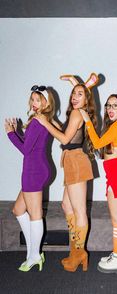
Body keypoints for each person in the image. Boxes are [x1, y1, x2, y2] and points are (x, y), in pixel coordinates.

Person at [36, 73, 98, 272]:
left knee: (79, 210)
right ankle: (75, 251)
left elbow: (64, 139)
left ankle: (79, 254)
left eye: (80, 94)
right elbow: (66, 134)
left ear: (86, 98)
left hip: (76, 161)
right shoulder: (76, 113)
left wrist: (45, 123)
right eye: (73, 93)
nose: (74, 97)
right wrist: (50, 119)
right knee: (66, 205)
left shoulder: (77, 113)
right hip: (72, 161)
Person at [5, 85, 55, 271]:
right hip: (34, 169)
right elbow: (29, 145)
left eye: (38, 100)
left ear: (46, 102)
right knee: (18, 209)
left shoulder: (37, 121)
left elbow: (26, 150)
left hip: (34, 171)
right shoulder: (39, 120)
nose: (34, 103)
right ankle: (32, 250)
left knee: (35, 215)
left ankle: (34, 255)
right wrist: (17, 131)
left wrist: (10, 133)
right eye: (33, 99)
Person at [80, 94, 117, 274]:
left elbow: (98, 142)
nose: (110, 109)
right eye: (108, 105)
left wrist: (87, 120)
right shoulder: (115, 126)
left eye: (115, 106)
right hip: (115, 173)